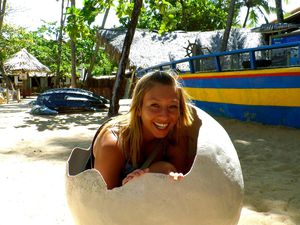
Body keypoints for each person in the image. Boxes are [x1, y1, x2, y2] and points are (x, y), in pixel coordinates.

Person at [93, 71, 195, 189]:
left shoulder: (176, 136)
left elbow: (179, 186)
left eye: (172, 106)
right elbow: (103, 200)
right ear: (138, 109)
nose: (165, 116)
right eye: (154, 105)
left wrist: (166, 172)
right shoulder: (114, 143)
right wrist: (129, 189)